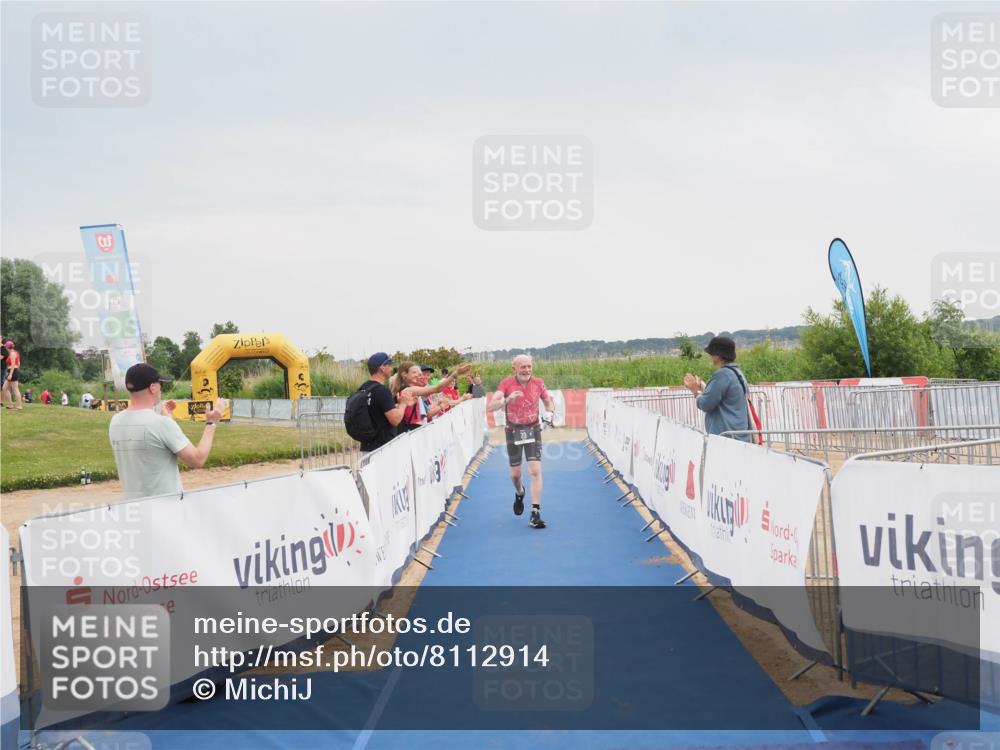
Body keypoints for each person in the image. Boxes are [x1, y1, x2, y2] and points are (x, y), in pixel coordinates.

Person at [108, 363, 226, 500]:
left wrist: (166, 418)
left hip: (135, 507)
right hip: (166, 509)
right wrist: (211, 422)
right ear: (152, 388)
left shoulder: (115, 421)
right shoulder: (161, 424)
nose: (161, 389)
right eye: (160, 385)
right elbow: (198, 460)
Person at [488, 354, 554, 529]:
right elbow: (491, 406)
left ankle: (535, 512)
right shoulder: (506, 383)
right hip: (513, 431)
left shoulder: (538, 383)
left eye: (529, 366)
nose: (526, 370)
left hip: (533, 429)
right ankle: (520, 492)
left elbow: (548, 402)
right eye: (523, 367)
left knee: (534, 471)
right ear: (514, 368)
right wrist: (507, 400)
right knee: (515, 475)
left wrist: (549, 414)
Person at [683, 336, 753, 442]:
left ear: (717, 356)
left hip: (726, 439)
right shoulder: (737, 372)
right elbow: (720, 396)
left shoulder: (722, 374)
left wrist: (695, 391)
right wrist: (701, 387)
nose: (710, 356)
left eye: (711, 354)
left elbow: (706, 404)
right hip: (740, 435)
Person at [356, 352, 416, 455]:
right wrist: (403, 403)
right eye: (389, 365)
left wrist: (396, 406)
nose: (391, 368)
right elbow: (395, 420)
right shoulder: (382, 391)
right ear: (382, 368)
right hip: (381, 449)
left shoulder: (363, 388)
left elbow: (377, 411)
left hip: (366, 447)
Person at [2, 341, 23, 410]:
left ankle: (19, 406)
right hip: (13, 371)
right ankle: (10, 404)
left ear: (8, 347)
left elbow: (13, 364)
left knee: (15, 389)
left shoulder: (12, 354)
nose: (5, 348)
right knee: (4, 388)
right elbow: (19, 363)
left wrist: (11, 374)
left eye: (6, 346)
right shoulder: (15, 353)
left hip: (12, 371)